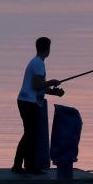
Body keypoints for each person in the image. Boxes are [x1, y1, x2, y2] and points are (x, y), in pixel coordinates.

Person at [13, 37, 64, 175]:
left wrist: (54, 92)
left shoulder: (36, 62)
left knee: (30, 134)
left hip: (27, 101)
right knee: (30, 134)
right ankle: (23, 166)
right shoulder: (38, 63)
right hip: (28, 102)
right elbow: (37, 85)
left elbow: (38, 87)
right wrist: (51, 82)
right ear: (47, 49)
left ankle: (24, 166)